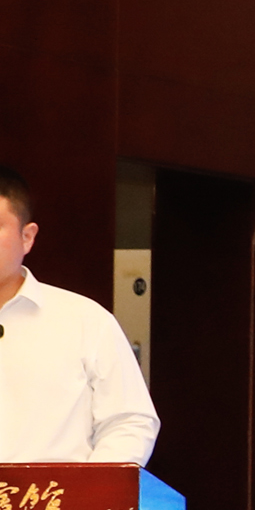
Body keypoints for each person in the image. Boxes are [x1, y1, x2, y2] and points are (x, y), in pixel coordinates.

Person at [0, 167, 157, 464]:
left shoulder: (85, 320)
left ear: (27, 236)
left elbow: (129, 422)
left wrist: (90, 487)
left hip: (55, 493)